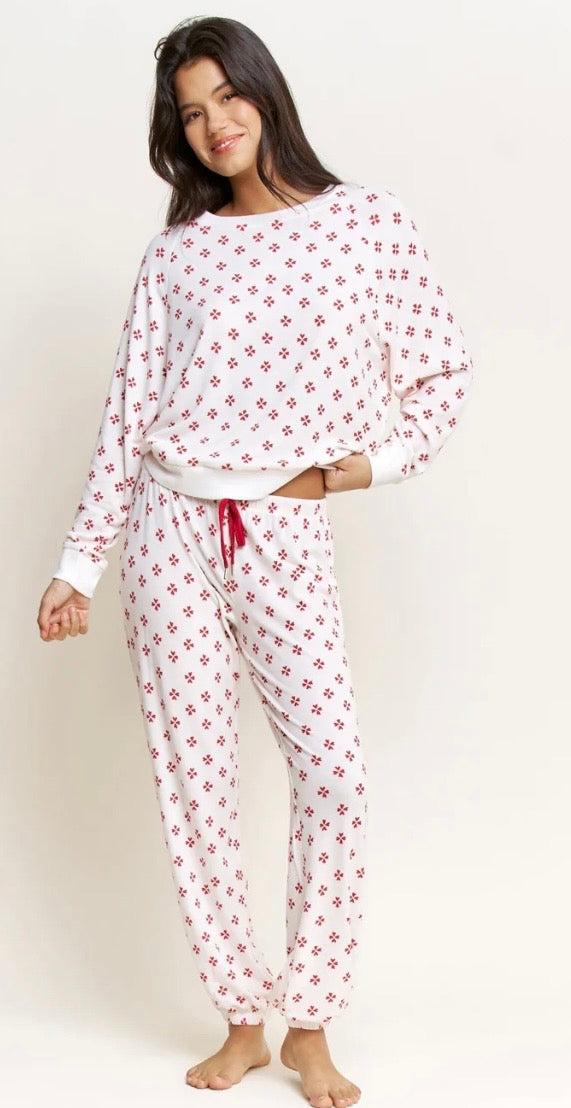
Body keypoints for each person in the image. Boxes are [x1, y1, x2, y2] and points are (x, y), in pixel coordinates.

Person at [37, 15, 474, 1107]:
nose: (214, 124)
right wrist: (79, 563)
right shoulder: (177, 252)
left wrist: (357, 470)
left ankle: (309, 1026)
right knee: (196, 783)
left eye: (226, 96)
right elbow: (128, 413)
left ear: (263, 92)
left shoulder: (366, 223)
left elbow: (441, 373)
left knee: (333, 775)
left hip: (281, 529)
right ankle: (241, 1017)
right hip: (166, 534)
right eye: (190, 113)